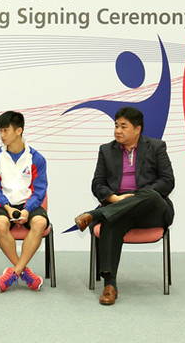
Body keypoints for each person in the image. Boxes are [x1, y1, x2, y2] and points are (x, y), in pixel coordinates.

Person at [74, 106, 175, 305]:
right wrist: (115, 199)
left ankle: (95, 215)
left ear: (137, 129)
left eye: (123, 126)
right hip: (118, 208)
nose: (117, 131)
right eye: (116, 126)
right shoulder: (106, 150)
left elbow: (167, 181)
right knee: (113, 221)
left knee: (152, 195)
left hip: (152, 209)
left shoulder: (156, 147)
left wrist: (135, 197)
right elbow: (97, 184)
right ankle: (110, 285)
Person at [0, 111, 49, 292]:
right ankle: (24, 272)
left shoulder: (37, 158)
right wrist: (7, 207)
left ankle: (15, 271)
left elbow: (39, 190)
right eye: (0, 131)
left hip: (29, 204)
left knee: (40, 222)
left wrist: (27, 210)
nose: (2, 135)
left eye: (6, 131)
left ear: (19, 131)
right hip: (4, 204)